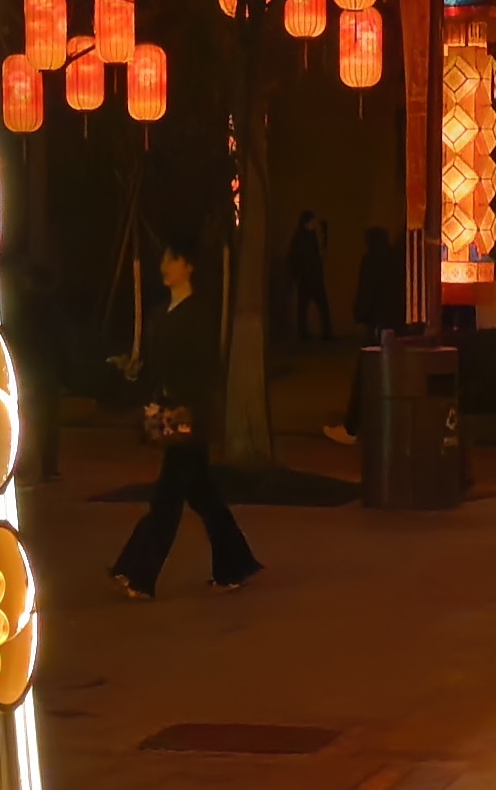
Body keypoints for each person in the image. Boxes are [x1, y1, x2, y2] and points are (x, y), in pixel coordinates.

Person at [116, 240, 260, 597]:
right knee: (203, 497)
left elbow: (204, 370)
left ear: (189, 266)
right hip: (171, 414)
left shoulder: (198, 314)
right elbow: (155, 365)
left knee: (167, 499)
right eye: (164, 258)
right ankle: (235, 565)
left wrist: (185, 407)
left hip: (188, 417)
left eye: (173, 258)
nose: (165, 265)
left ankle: (139, 573)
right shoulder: (162, 313)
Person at [278, 210, 335, 343]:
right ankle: (306, 334)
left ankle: (317, 333)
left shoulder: (310, 236)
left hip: (311, 277)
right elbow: (297, 258)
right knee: (307, 307)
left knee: (313, 306)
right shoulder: (302, 238)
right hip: (307, 278)